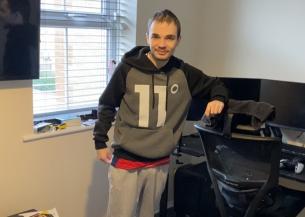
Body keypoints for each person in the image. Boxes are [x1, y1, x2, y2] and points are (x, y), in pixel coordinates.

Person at [93, 9, 228, 217]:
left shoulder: (183, 72)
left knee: (149, 214)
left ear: (178, 40)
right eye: (156, 36)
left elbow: (216, 84)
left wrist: (218, 98)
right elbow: (107, 103)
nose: (162, 44)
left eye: (169, 37)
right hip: (126, 159)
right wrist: (100, 141)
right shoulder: (126, 69)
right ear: (147, 37)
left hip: (159, 161)